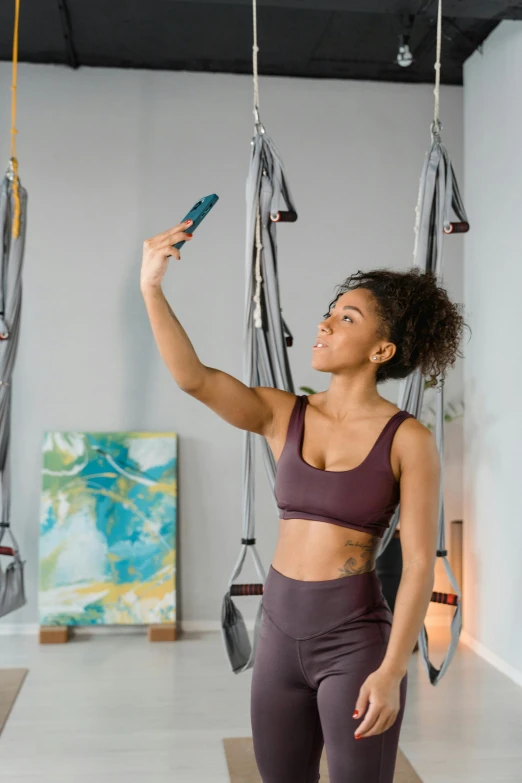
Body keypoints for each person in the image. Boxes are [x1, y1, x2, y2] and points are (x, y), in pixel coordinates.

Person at [140, 221, 467, 783]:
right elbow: (193, 379)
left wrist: (392, 671)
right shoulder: (280, 413)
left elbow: (417, 565)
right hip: (278, 634)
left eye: (347, 319)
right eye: (330, 311)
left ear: (381, 350)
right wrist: (151, 286)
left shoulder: (409, 439)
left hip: (355, 640)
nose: (324, 323)